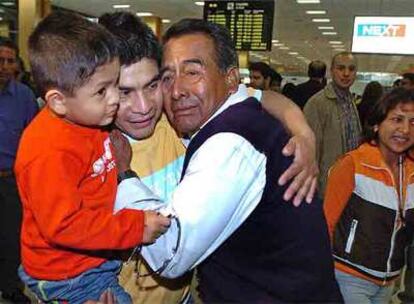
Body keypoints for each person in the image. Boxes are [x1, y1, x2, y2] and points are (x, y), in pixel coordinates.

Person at [116, 18, 342, 303]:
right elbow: (264, 97)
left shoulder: (230, 143)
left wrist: (123, 176)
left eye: (192, 72)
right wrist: (301, 128)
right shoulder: (226, 118)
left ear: (231, 79)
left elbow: (171, 253)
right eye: (167, 77)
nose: (176, 90)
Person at [14, 12, 170, 304]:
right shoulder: (49, 150)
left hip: (92, 263)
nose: (114, 100)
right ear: (58, 101)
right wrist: (135, 227)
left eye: (114, 86)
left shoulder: (89, 116)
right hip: (69, 278)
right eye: (104, 91)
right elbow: (64, 225)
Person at [324, 88, 414, 303]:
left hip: (388, 282)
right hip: (348, 277)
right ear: (376, 124)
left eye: (413, 122)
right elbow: (325, 223)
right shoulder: (353, 165)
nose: (405, 129)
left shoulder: (411, 171)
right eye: (396, 119)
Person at [0, 37, 37, 302]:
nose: (4, 66)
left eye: (9, 61)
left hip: (11, 182)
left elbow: (35, 140)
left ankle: (11, 287)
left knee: (11, 238)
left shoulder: (24, 96)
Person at [304, 51, 361, 197]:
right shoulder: (317, 103)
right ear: (331, 71)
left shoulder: (350, 102)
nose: (346, 73)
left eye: (351, 69)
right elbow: (310, 152)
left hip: (349, 183)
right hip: (326, 187)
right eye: (341, 68)